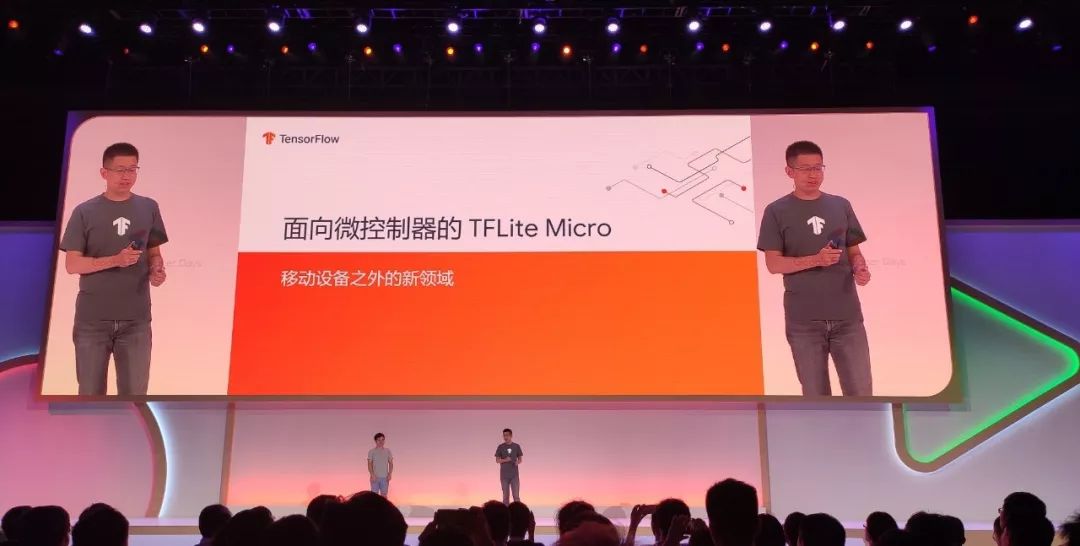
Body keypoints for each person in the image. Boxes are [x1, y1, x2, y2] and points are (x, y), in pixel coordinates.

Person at [757, 140, 872, 396]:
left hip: (848, 318)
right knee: (816, 397)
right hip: (804, 322)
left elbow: (854, 250)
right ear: (789, 171)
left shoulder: (841, 205)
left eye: (818, 168)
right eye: (806, 168)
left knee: (862, 395)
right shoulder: (776, 211)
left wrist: (860, 267)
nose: (813, 174)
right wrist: (815, 260)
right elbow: (773, 264)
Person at [59, 142, 169, 396]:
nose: (126, 176)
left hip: (136, 321)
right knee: (90, 396)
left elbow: (154, 251)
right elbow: (72, 264)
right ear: (104, 172)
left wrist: (156, 269)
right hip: (92, 321)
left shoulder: (148, 207)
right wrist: (115, 260)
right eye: (120, 169)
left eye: (132, 169)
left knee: (134, 399)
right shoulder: (84, 211)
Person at [495, 428, 523, 504]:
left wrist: (517, 462)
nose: (505, 437)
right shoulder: (500, 447)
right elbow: (497, 460)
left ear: (511, 436)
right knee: (505, 497)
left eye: (507, 435)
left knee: (516, 496)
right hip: (504, 476)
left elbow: (520, 459)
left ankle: (517, 511)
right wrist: (505, 460)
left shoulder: (516, 446)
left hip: (514, 476)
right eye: (504, 435)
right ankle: (506, 511)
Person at [368, 433, 394, 497]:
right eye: (379, 440)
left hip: (385, 477)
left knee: (384, 496)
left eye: (382, 440)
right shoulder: (371, 451)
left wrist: (389, 474)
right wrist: (372, 475)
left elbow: (391, 463)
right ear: (375, 441)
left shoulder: (388, 451)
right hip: (375, 477)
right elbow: (369, 464)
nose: (381, 442)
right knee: (374, 496)